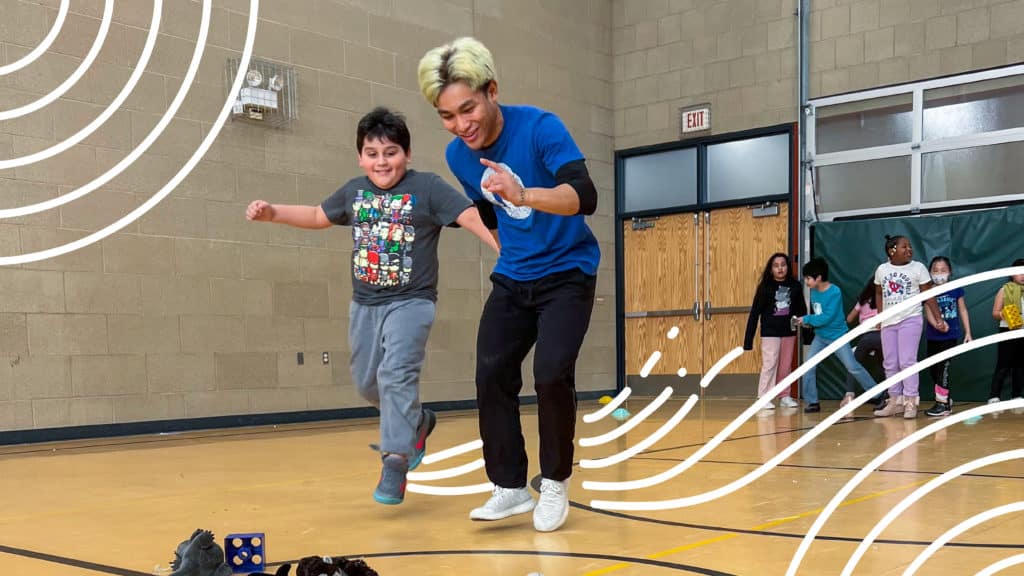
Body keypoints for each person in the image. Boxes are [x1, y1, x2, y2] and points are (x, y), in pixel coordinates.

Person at [245, 107, 498, 505]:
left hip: (412, 302)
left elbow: (468, 215)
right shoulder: (354, 191)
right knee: (368, 383)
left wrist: (504, 250)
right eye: (373, 153)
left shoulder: (427, 188)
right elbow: (316, 215)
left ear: (407, 154)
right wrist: (273, 213)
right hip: (365, 304)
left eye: (391, 152)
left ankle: (396, 459)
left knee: (395, 374)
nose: (382, 162)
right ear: (361, 157)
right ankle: (416, 422)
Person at [417, 37, 600, 532]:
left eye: (468, 108)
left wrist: (525, 194)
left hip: (569, 273)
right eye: (447, 116)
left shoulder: (541, 127)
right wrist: (508, 248)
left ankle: (555, 483)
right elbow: (484, 212)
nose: (461, 124)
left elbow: (585, 196)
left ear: (492, 90)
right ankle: (510, 486)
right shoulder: (459, 156)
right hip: (515, 277)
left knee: (550, 374)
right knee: (490, 372)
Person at [872, 235, 945, 419]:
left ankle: (911, 401)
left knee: (907, 361)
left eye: (910, 246)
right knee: (890, 362)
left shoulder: (918, 268)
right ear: (892, 251)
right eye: (904, 247)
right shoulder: (882, 270)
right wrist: (880, 317)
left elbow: (928, 294)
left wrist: (938, 318)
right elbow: (879, 293)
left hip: (910, 319)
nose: (909, 249)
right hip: (889, 321)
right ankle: (895, 400)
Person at [795, 258, 878, 414]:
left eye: (808, 278)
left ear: (818, 277)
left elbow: (827, 317)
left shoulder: (835, 292)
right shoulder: (813, 291)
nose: (806, 281)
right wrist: (809, 322)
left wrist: (806, 319)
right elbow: (818, 315)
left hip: (837, 337)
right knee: (808, 367)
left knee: (852, 367)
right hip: (820, 337)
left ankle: (877, 394)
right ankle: (812, 402)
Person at [743, 253, 806, 410]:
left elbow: (802, 310)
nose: (780, 268)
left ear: (788, 267)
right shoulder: (765, 287)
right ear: (771, 269)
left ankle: (784, 395)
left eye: (783, 265)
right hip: (770, 332)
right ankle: (763, 396)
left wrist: (807, 331)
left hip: (789, 331)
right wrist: (748, 340)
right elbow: (755, 312)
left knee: (785, 366)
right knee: (770, 364)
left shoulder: (795, 286)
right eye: (776, 265)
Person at [922, 256, 972, 417]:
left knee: (943, 368)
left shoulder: (956, 288)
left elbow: (963, 310)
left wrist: (968, 332)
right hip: (932, 336)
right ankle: (946, 398)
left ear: (949, 272)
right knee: (933, 370)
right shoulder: (928, 290)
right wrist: (937, 323)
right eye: (935, 270)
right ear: (930, 273)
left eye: (943, 270)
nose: (939, 273)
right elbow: (927, 310)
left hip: (950, 336)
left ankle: (942, 405)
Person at [841, 277, 886, 410]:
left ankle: (849, 395)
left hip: (865, 338)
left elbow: (849, 319)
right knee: (885, 366)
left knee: (853, 364)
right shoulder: (885, 300)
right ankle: (883, 397)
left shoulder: (862, 301)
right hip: (882, 336)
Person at [989, 258, 1024, 403]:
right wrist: (1006, 314)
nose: (1023, 275)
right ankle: (994, 396)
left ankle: (1016, 396)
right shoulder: (1004, 290)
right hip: (1007, 331)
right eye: (1019, 272)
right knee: (1003, 364)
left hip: (1023, 333)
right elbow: (995, 313)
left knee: (1020, 366)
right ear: (1012, 275)